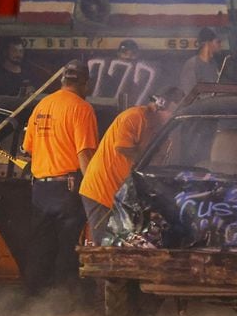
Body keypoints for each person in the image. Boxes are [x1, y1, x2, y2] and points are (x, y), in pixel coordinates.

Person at [21, 59, 99, 299]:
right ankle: (65, 304)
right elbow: (84, 153)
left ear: (63, 80)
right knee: (68, 248)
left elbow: (28, 147)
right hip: (67, 189)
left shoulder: (42, 105)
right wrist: (93, 189)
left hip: (40, 190)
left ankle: (34, 301)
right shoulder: (81, 108)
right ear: (86, 83)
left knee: (40, 248)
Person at [79, 87, 184, 245]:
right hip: (102, 190)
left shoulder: (159, 128)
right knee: (103, 244)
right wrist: (146, 161)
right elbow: (122, 147)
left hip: (121, 195)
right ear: (161, 104)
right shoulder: (134, 117)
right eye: (172, 113)